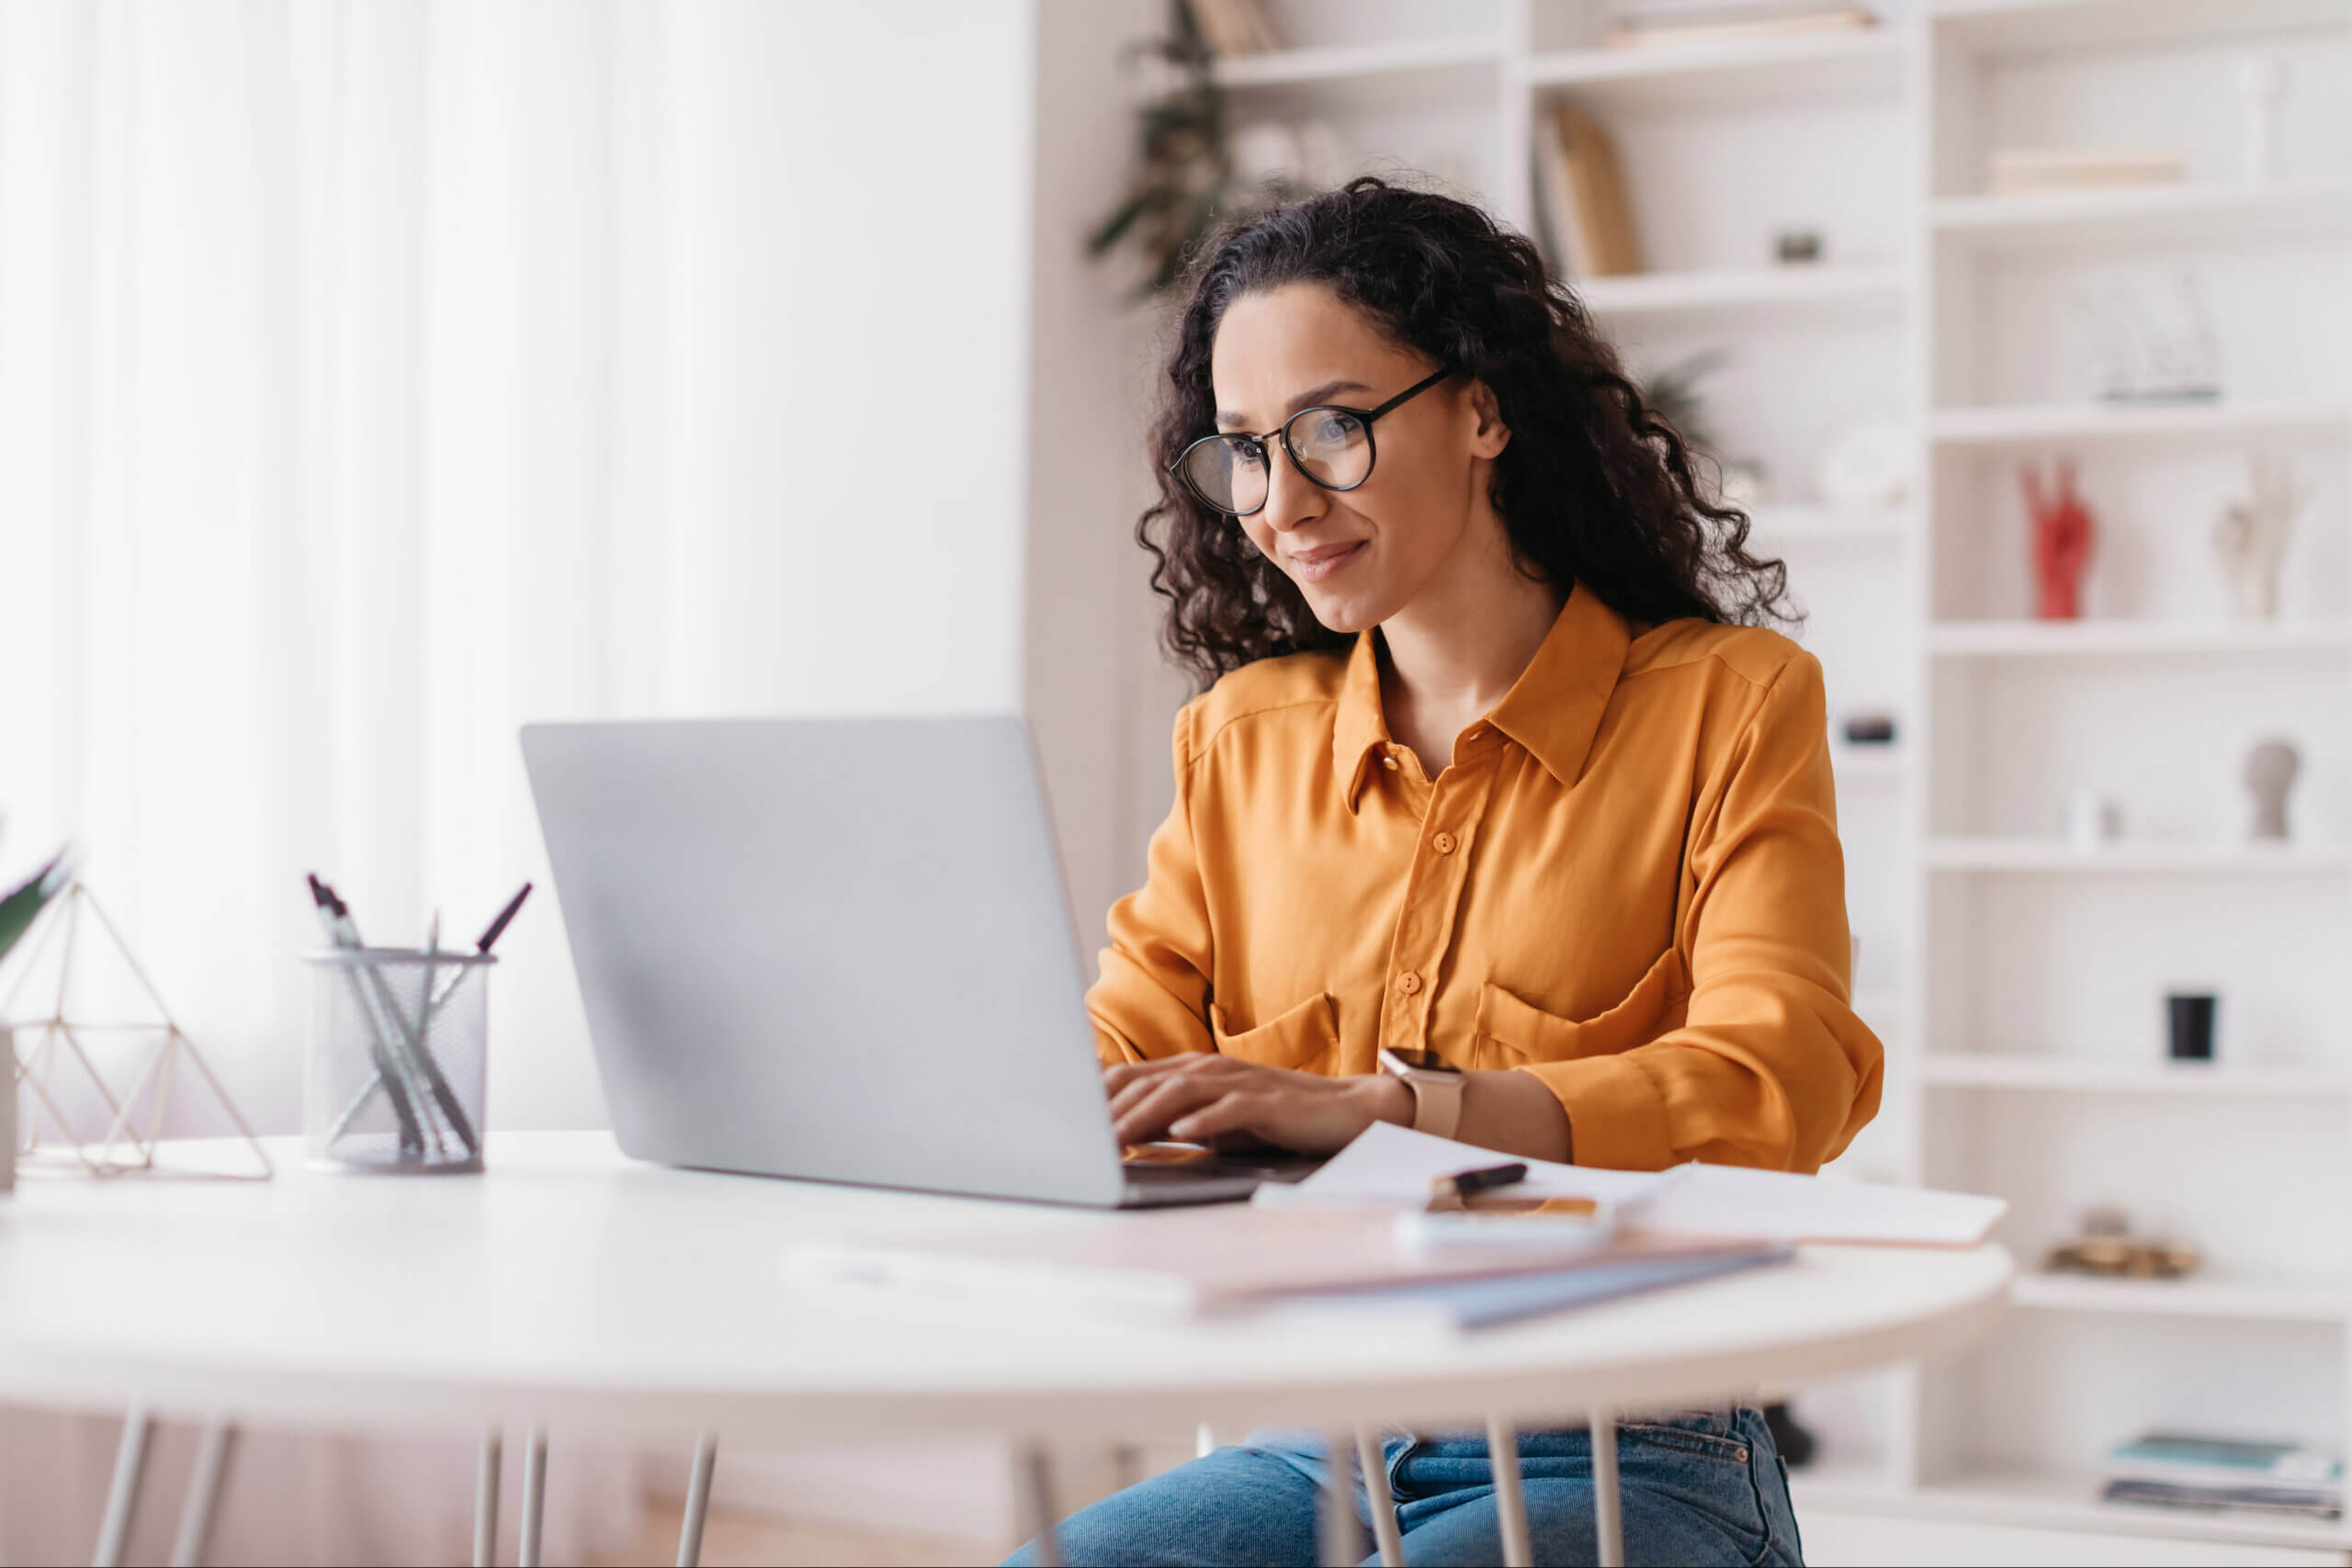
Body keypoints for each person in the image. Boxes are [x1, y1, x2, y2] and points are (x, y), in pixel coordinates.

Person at [1010, 177, 1881, 1567]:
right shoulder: (1241, 744)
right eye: (1242, 450)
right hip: (1312, 1435)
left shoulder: (1729, 702)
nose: (1281, 502)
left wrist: (1394, 1110)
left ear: (1483, 410)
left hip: (1633, 1446)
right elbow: (1122, 1063)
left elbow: (1785, 1075)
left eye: (1332, 429)